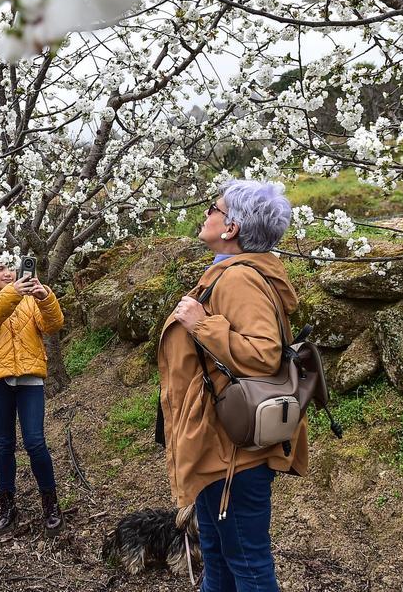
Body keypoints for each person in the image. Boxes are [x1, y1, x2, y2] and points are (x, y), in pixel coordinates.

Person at [158, 180, 305, 592]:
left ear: (231, 227)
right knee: (219, 557)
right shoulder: (229, 272)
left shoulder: (239, 279)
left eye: (214, 208)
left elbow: (264, 353)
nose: (206, 213)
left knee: (247, 563)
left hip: (233, 453)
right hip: (218, 444)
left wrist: (201, 324)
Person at [0, 256, 66, 536]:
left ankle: (50, 503)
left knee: (35, 442)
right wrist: (13, 293)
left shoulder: (30, 300)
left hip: (30, 379)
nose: (7, 273)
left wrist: (45, 297)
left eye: (11, 267)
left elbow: (53, 325)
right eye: (0, 269)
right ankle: (7, 504)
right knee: (4, 444)